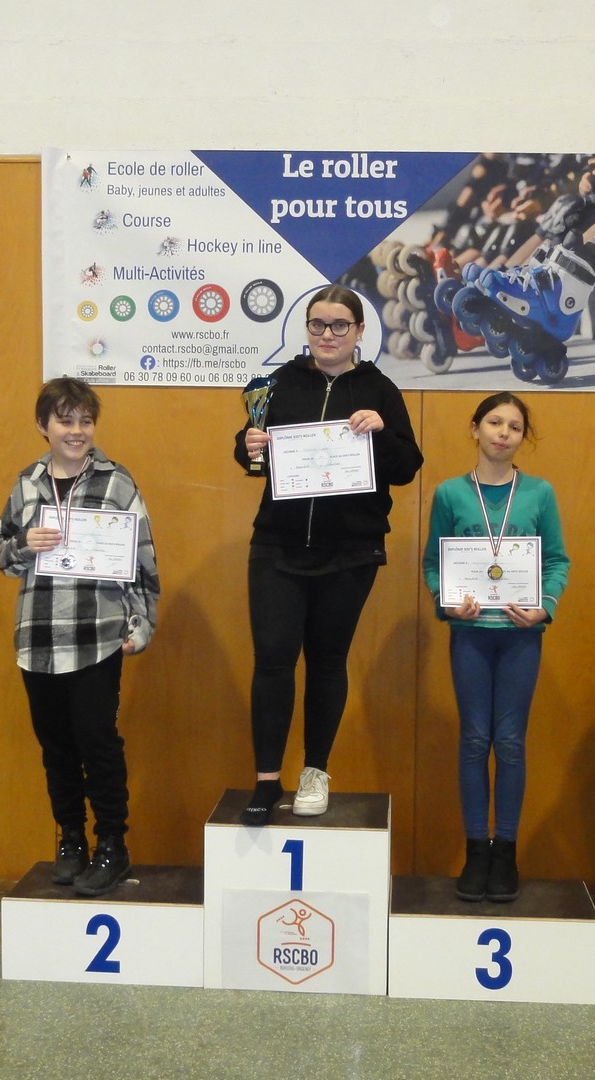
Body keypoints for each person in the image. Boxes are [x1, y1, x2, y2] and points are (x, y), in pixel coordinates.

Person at [233, 285, 423, 826]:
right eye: (317, 324)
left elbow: (407, 466)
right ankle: (266, 779)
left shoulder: (380, 390)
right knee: (273, 659)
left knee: (327, 662)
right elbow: (251, 450)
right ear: (307, 329)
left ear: (359, 331)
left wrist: (381, 433)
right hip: (277, 544)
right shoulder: (279, 383)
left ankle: (315, 772)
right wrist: (247, 446)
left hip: (350, 550)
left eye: (340, 325)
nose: (327, 335)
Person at [0, 378, 159, 897]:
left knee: (98, 742)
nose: (76, 431)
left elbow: (143, 560)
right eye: (65, 421)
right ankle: (70, 840)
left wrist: (141, 623)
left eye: (85, 421)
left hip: (96, 635)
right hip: (39, 636)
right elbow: (3, 555)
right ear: (43, 426)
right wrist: (25, 543)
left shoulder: (117, 482)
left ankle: (112, 844)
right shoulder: (26, 483)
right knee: (56, 746)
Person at [422, 392, 569, 903]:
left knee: (509, 743)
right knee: (472, 741)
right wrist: (446, 600)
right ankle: (475, 851)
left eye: (514, 426)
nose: (503, 433)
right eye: (494, 422)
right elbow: (433, 564)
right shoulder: (450, 493)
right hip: (470, 635)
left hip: (520, 637)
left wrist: (544, 606)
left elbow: (557, 560)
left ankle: (505, 850)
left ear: (522, 437)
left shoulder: (540, 493)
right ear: (475, 429)